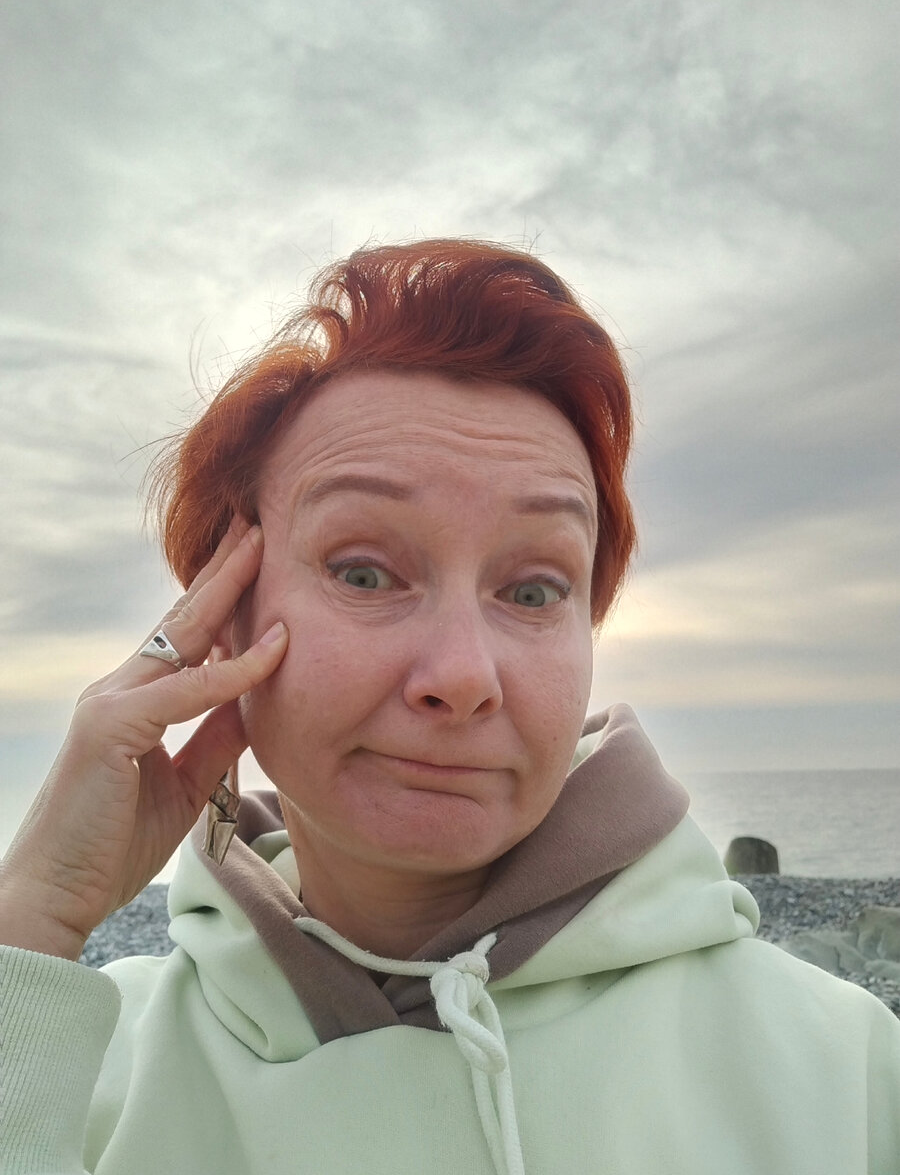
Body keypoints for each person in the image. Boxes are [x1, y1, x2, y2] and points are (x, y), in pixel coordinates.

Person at [1, 239, 898, 1175]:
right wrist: (35, 918)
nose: (465, 673)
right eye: (364, 572)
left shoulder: (845, 1080)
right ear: (221, 621)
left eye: (534, 590)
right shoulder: (71, 1074)